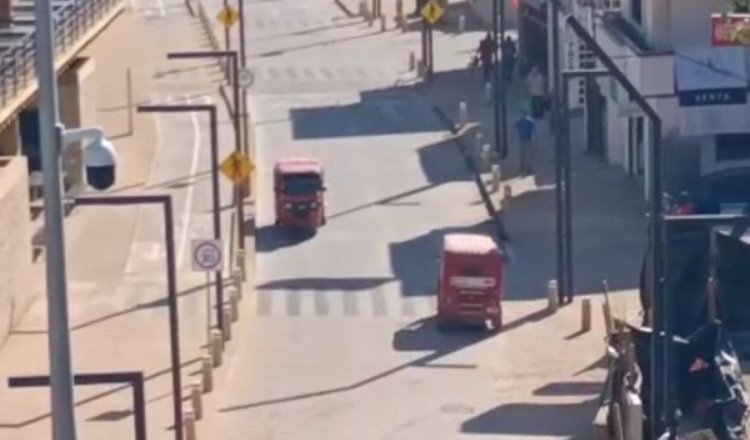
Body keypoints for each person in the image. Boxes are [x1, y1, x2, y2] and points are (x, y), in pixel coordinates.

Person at [515, 110, 535, 176]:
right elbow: (533, 129)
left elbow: (516, 127)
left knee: (523, 154)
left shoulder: (520, 120)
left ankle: (523, 168)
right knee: (527, 155)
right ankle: (527, 169)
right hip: (527, 138)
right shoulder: (530, 121)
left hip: (523, 138)